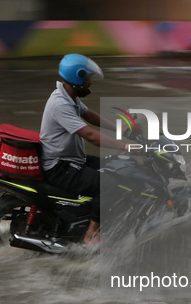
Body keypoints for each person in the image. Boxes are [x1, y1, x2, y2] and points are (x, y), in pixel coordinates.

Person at [40, 54, 128, 244]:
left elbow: (90, 115)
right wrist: (125, 146)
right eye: (87, 78)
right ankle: (91, 234)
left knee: (118, 167)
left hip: (73, 159)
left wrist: (120, 129)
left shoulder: (68, 96)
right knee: (108, 185)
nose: (90, 83)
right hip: (59, 167)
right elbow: (90, 136)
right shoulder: (60, 104)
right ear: (78, 78)